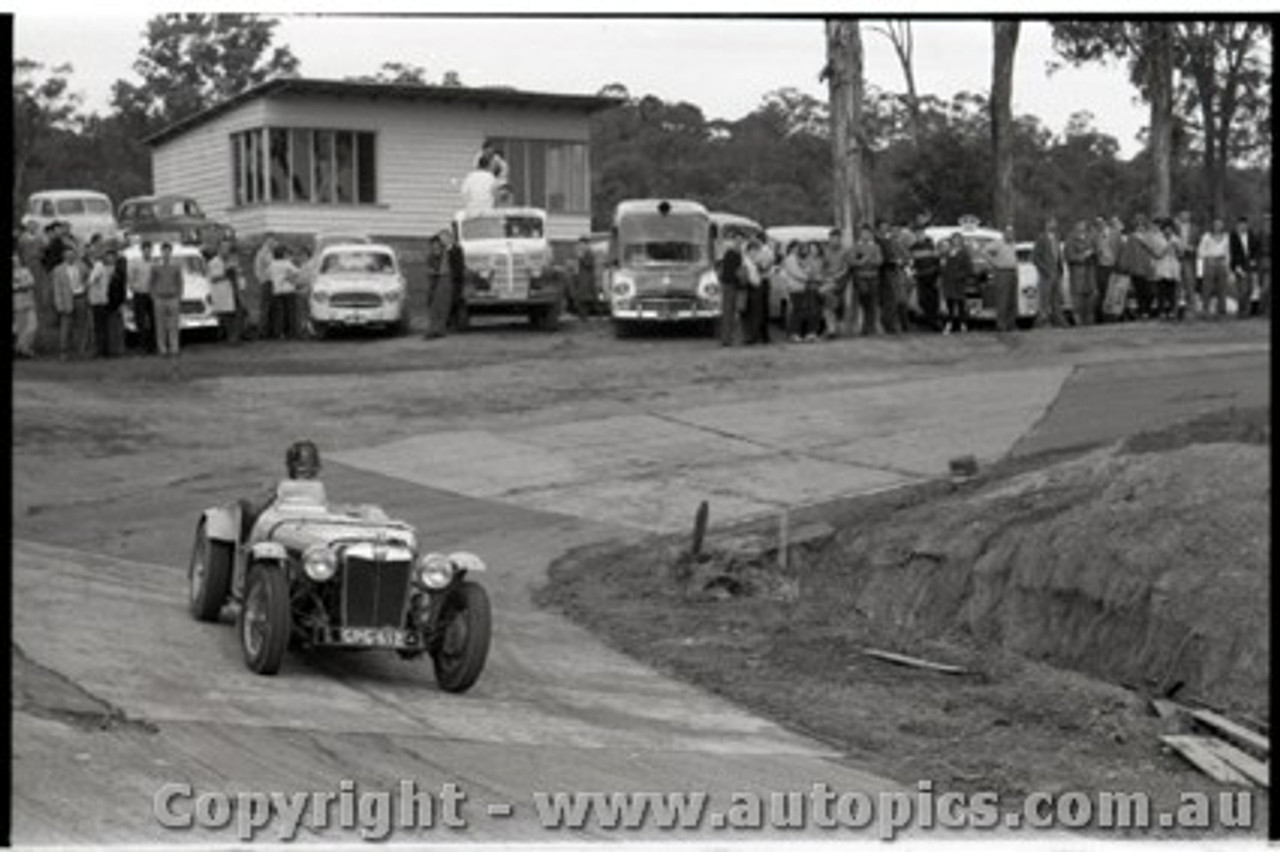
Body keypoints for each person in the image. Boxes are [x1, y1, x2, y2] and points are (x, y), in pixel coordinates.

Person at [239, 440, 326, 539]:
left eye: (302, 464)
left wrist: (243, 507)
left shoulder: (276, 489)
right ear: (318, 467)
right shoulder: (277, 490)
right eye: (297, 463)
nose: (299, 468)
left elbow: (252, 512)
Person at [51, 246, 90, 360]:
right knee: (66, 327)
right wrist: (59, 304)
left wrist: (86, 286)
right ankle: (64, 352)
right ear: (63, 256)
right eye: (67, 255)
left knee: (82, 326)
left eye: (72, 255)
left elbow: (90, 277)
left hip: (81, 298)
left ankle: (81, 351)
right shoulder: (58, 270)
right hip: (67, 300)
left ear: (75, 255)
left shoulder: (82, 266)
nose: (70, 257)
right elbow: (56, 288)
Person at [150, 242, 184, 360]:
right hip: (159, 298)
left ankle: (174, 348)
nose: (166, 253)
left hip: (173, 298)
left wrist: (179, 296)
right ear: (161, 252)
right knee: (160, 325)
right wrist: (153, 296)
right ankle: (162, 349)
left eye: (168, 251)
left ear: (171, 252)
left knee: (173, 325)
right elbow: (152, 282)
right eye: (164, 251)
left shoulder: (176, 266)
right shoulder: (156, 266)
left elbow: (180, 282)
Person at [985, 226, 1020, 333]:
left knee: (1012, 299)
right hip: (1002, 272)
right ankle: (1001, 325)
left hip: (1012, 272)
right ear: (1004, 233)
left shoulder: (1013, 244)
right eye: (1008, 232)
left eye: (1012, 233)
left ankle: (1011, 324)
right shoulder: (998, 243)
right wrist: (995, 263)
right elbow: (985, 251)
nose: (1011, 235)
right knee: (1002, 299)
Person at [850, 225, 883, 336]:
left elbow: (879, 261)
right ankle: (863, 326)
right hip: (861, 277)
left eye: (867, 233)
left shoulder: (875, 246)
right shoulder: (856, 246)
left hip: (873, 277)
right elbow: (852, 261)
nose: (865, 235)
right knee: (864, 302)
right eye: (863, 232)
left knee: (872, 303)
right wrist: (864, 260)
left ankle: (870, 327)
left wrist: (866, 260)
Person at [1032, 217, 1066, 327]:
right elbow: (1035, 258)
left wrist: (1060, 270)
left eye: (1055, 224)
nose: (1054, 226)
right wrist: (1044, 270)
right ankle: (1042, 323)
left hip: (1056, 272)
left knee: (1056, 300)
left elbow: (1058, 256)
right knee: (1045, 301)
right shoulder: (1041, 239)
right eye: (1052, 224)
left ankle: (1058, 321)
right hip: (1046, 275)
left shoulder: (1056, 238)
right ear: (1047, 225)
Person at [207, 240, 242, 343]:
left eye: (228, 248)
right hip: (222, 293)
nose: (227, 250)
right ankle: (230, 338)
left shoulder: (231, 261)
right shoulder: (214, 262)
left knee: (237, 314)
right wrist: (226, 274)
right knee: (227, 316)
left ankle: (234, 337)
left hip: (233, 291)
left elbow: (237, 274)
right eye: (224, 248)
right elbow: (213, 278)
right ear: (219, 249)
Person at [1063, 220, 1096, 326]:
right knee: (1078, 300)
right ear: (1075, 228)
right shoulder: (1070, 240)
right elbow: (1069, 257)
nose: (1082, 229)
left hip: (1089, 274)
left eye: (1084, 226)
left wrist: (1093, 254)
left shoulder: (1090, 238)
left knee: (1090, 300)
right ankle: (1079, 322)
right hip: (1077, 274)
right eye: (1080, 227)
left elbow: (1095, 252)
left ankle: (1089, 322)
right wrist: (1083, 256)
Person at [909, 226, 942, 332]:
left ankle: (935, 322)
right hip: (920, 276)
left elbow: (937, 261)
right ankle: (931, 321)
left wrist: (938, 276)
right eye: (917, 235)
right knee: (922, 300)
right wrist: (912, 274)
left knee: (933, 300)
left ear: (924, 235)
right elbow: (911, 263)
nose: (919, 236)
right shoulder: (913, 248)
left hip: (932, 275)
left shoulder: (931, 246)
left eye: (921, 234)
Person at [940, 233, 973, 334]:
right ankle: (949, 325)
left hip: (959, 283)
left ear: (961, 241)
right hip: (948, 282)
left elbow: (969, 269)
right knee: (949, 304)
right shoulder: (947, 253)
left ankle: (963, 325)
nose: (956, 241)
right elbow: (943, 267)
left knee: (960, 304)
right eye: (954, 239)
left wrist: (960, 276)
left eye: (958, 239)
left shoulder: (964, 253)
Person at [1198, 219, 1231, 319]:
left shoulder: (1226, 237)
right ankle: (1205, 310)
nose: (1217, 227)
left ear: (1222, 226)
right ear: (1213, 226)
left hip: (1222, 262)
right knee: (1207, 287)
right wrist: (1208, 258)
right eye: (1216, 225)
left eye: (1219, 225)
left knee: (1222, 287)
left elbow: (1228, 252)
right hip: (1210, 262)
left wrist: (1227, 264)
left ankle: (1222, 311)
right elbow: (1200, 251)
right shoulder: (1206, 236)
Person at [128, 241, 158, 353]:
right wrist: (134, 287)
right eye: (145, 249)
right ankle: (142, 346)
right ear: (142, 251)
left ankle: (153, 345)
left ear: (151, 250)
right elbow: (130, 277)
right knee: (140, 321)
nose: (147, 251)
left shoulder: (154, 263)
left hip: (151, 295)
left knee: (153, 320)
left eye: (149, 249)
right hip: (139, 294)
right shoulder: (136, 263)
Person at [267, 244, 300, 339]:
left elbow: (268, 275)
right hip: (288, 290)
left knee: (279, 313)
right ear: (283, 254)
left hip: (277, 291)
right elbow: (297, 271)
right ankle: (291, 332)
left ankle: (279, 332)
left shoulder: (272, 264)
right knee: (290, 312)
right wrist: (289, 276)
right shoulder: (286, 263)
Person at [1229, 216, 1259, 318]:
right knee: (1243, 289)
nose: (1243, 227)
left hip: (1249, 264)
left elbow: (1255, 248)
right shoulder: (1233, 236)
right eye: (1241, 225)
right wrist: (1237, 267)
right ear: (1238, 225)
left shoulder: (1251, 235)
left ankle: (1245, 310)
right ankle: (1242, 312)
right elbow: (1233, 252)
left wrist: (1254, 260)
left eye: (1245, 225)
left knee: (1250, 288)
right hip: (1239, 265)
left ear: (1247, 225)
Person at [739, 240, 768, 345]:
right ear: (748, 251)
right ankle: (749, 337)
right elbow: (748, 277)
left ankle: (752, 336)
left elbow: (763, 271)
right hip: (750, 288)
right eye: (753, 250)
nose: (755, 253)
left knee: (755, 313)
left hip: (755, 288)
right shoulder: (746, 262)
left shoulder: (755, 262)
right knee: (750, 314)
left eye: (756, 250)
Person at [717, 234, 744, 346]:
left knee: (729, 312)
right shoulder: (734, 254)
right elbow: (735, 272)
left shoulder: (730, 253)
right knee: (729, 312)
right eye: (738, 241)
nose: (739, 243)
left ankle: (727, 337)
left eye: (740, 241)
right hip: (730, 285)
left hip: (728, 284)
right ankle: (726, 338)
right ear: (734, 242)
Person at [423, 232, 451, 339]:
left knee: (442, 307)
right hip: (433, 283)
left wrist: (438, 272)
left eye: (437, 245)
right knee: (432, 306)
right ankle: (433, 329)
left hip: (443, 282)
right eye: (433, 246)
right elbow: (429, 270)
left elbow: (446, 269)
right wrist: (433, 272)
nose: (435, 248)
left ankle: (439, 329)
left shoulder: (446, 255)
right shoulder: (430, 257)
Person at [1154, 220, 1184, 320]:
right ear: (1163, 229)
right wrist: (1168, 247)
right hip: (1162, 267)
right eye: (1166, 228)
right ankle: (1161, 311)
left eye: (1170, 228)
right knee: (1161, 292)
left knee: (1172, 292)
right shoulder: (1157, 239)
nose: (1168, 231)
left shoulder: (1176, 239)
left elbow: (1180, 255)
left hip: (1172, 267)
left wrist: (1177, 248)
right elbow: (1157, 254)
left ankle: (1171, 311)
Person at [1174, 211, 1200, 317]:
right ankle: (1176, 308)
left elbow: (1198, 243)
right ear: (1180, 217)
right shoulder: (1175, 228)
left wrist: (1193, 248)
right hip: (1176, 258)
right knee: (1177, 284)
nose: (1185, 217)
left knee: (1190, 282)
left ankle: (1191, 308)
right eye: (1182, 216)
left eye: (1187, 215)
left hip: (1189, 258)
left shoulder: (1195, 229)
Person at [13, 250, 38, 358]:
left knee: (33, 326)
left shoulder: (25, 271)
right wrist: (22, 285)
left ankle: (23, 348)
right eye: (13, 260)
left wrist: (21, 285)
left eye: (16, 259)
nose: (15, 262)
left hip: (29, 302)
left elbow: (32, 282)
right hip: (17, 304)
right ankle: (21, 350)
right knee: (19, 328)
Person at [253, 234, 278, 339]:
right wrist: (262, 280)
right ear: (267, 240)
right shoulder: (264, 253)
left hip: (271, 282)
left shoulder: (271, 252)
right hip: (267, 282)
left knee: (272, 307)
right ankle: (263, 331)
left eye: (274, 241)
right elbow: (269, 265)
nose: (273, 243)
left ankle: (270, 330)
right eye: (271, 241)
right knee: (266, 307)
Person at [446, 226, 468, 332]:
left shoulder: (458, 250)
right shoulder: (448, 251)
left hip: (457, 278)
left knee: (456, 300)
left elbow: (460, 264)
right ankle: (449, 321)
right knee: (450, 300)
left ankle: (455, 322)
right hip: (450, 278)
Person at [571, 236, 596, 320]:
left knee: (585, 299)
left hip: (586, 279)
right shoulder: (582, 253)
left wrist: (581, 258)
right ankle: (582, 316)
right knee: (581, 298)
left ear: (586, 244)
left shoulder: (589, 253)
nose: (580, 246)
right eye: (579, 244)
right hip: (580, 278)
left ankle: (584, 317)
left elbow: (590, 265)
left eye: (581, 244)